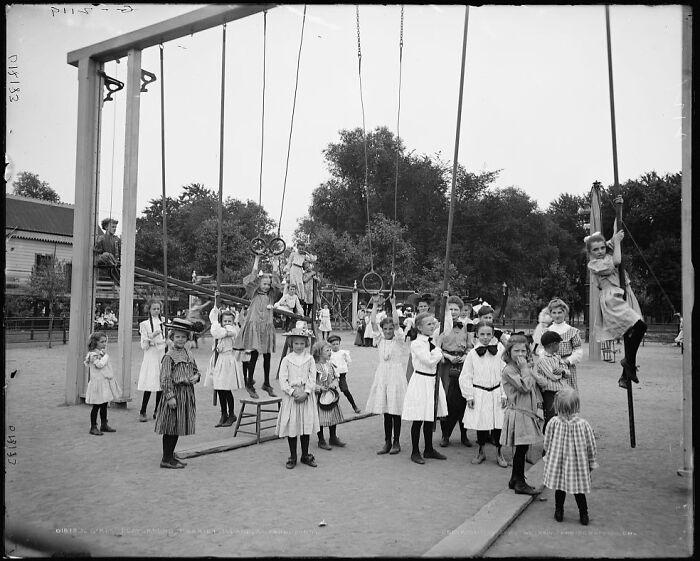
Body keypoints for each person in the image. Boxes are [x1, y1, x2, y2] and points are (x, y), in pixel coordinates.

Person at [586, 231, 648, 388]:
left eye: (602, 248)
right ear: (590, 253)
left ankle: (625, 375)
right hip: (612, 298)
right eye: (595, 250)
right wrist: (617, 242)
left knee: (634, 331)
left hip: (623, 294)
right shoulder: (594, 264)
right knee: (640, 326)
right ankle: (629, 365)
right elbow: (618, 260)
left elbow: (615, 234)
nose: (600, 251)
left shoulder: (607, 254)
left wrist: (618, 214)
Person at [543, 388, 598, 525]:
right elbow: (591, 445)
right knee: (579, 491)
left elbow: (547, 441)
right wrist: (591, 462)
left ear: (557, 405)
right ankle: (583, 514)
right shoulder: (584, 425)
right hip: (577, 466)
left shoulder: (553, 423)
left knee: (559, 489)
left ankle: (559, 511)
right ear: (576, 405)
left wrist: (548, 455)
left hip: (559, 464)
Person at [402, 312, 448, 465]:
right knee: (419, 417)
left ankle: (429, 449)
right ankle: (415, 451)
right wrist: (439, 347)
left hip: (433, 381)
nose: (432, 326)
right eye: (429, 324)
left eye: (433, 324)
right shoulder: (416, 343)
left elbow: (447, 325)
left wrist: (446, 309)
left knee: (430, 416)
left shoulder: (432, 340)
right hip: (421, 380)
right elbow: (429, 361)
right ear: (419, 328)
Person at [500, 334, 544, 495]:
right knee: (520, 449)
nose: (520, 354)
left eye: (523, 351)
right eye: (516, 351)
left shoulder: (523, 367)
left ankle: (516, 478)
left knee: (523, 448)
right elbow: (524, 387)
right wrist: (526, 369)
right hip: (518, 413)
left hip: (527, 412)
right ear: (509, 352)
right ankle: (519, 482)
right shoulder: (509, 370)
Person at [154, 318, 200, 469]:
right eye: (177, 337)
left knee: (178, 426)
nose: (180, 340)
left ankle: (171, 455)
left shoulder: (188, 353)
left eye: (183, 337)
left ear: (188, 338)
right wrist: (170, 396)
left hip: (186, 395)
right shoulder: (169, 356)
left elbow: (195, 370)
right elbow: (165, 378)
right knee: (170, 426)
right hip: (175, 395)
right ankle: (166, 458)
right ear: (172, 338)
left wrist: (196, 376)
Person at [233, 255, 282, 399]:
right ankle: (249, 383)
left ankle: (266, 383)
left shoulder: (271, 296)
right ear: (259, 284)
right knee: (253, 355)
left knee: (267, 356)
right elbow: (251, 279)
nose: (266, 286)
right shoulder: (253, 293)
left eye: (268, 284)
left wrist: (274, 266)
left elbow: (277, 284)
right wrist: (256, 259)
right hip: (254, 327)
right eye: (264, 284)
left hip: (266, 327)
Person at [460, 321, 507, 467]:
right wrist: (469, 395)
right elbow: (465, 375)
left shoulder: (499, 353)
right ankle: (481, 451)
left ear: (493, 335)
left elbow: (505, 374)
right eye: (482, 334)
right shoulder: (472, 354)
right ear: (477, 335)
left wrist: (504, 394)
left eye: (488, 334)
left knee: (498, 423)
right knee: (481, 423)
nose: (485, 337)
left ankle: (499, 452)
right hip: (479, 392)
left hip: (496, 392)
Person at [365, 295, 407, 455]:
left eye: (390, 329)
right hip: (383, 376)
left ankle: (396, 442)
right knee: (386, 412)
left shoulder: (398, 339)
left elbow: (396, 323)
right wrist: (375, 303)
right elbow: (373, 322)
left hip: (395, 377)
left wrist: (393, 303)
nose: (388, 331)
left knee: (395, 410)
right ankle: (387, 441)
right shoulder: (380, 339)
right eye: (386, 329)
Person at [276, 322, 319, 469]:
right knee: (293, 426)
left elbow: (313, 377)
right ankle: (293, 456)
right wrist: (293, 392)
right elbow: (283, 379)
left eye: (302, 343)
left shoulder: (310, 359)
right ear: (291, 343)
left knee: (305, 426)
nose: (299, 346)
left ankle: (305, 454)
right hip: (292, 397)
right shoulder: (287, 360)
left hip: (306, 396)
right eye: (296, 343)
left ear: (306, 343)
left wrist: (306, 392)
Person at [438, 296, 474, 448]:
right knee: (445, 399)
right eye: (450, 309)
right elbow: (436, 346)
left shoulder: (468, 326)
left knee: (462, 399)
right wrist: (448, 356)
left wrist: (465, 357)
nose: (453, 312)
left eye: (456, 309)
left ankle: (464, 435)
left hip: (462, 365)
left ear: (461, 310)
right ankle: (445, 435)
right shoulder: (440, 326)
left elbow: (471, 345)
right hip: (446, 364)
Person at [204, 299, 244, 428]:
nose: (227, 323)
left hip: (227, 360)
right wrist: (215, 309)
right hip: (219, 359)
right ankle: (223, 413)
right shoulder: (220, 328)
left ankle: (231, 414)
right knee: (219, 388)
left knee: (226, 389)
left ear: (233, 322)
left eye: (229, 321)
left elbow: (216, 332)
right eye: (225, 321)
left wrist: (216, 322)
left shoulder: (232, 330)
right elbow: (213, 319)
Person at [530, 330, 571, 434]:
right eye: (558, 344)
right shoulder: (542, 359)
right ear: (553, 344)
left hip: (560, 391)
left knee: (561, 415)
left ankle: (556, 438)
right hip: (549, 393)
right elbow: (553, 375)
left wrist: (562, 371)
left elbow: (567, 372)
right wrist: (562, 372)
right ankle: (547, 440)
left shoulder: (557, 357)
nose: (559, 346)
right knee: (550, 416)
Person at [84, 331, 120, 435]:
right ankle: (93, 426)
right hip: (97, 383)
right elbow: (99, 365)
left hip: (104, 382)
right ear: (95, 342)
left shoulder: (101, 353)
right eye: (102, 342)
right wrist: (106, 357)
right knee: (96, 405)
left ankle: (104, 424)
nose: (104, 344)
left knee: (104, 404)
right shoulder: (93, 355)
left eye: (105, 341)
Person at [313, 340, 346, 450]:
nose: (330, 352)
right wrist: (319, 388)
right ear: (319, 352)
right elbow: (311, 382)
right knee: (320, 418)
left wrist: (334, 384)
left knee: (332, 415)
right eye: (327, 350)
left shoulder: (330, 365)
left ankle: (333, 437)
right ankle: (321, 439)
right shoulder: (314, 367)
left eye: (330, 350)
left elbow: (336, 378)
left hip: (331, 395)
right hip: (320, 396)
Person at [137, 298, 166, 422]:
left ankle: (157, 410)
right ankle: (143, 410)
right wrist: (152, 336)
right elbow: (144, 345)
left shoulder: (164, 321)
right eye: (154, 308)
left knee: (161, 383)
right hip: (151, 355)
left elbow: (168, 337)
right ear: (149, 309)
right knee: (149, 382)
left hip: (161, 354)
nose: (156, 311)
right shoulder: (144, 324)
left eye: (158, 309)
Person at [545, 298, 583, 391]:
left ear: (565, 313)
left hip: (567, 368)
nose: (557, 316)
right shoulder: (547, 331)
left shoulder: (572, 331)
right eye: (554, 313)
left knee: (567, 396)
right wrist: (550, 362)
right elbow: (542, 350)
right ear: (550, 314)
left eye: (559, 312)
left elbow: (578, 351)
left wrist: (567, 361)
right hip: (551, 368)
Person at [328, 334, 361, 414]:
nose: (335, 346)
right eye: (333, 344)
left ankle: (354, 406)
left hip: (342, 375)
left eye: (337, 344)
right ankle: (331, 409)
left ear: (339, 344)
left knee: (346, 390)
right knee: (331, 392)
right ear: (330, 345)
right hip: (332, 376)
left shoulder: (343, 353)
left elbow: (348, 361)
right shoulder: (329, 353)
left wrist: (345, 366)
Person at [284, 241, 317, 305]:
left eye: (302, 249)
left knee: (300, 284)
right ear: (297, 248)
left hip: (300, 270)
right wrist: (287, 273)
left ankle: (300, 299)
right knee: (293, 283)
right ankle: (292, 297)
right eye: (300, 248)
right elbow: (289, 263)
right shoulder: (293, 254)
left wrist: (307, 253)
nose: (301, 250)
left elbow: (313, 260)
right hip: (293, 268)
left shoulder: (304, 256)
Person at [94, 217, 121, 284]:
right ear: (106, 227)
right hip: (105, 261)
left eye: (115, 227)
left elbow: (119, 253)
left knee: (112, 258)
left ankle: (118, 277)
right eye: (112, 227)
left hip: (114, 261)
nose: (114, 229)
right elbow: (97, 251)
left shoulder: (117, 239)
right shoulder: (101, 238)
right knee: (106, 255)